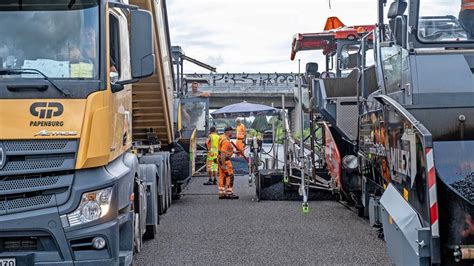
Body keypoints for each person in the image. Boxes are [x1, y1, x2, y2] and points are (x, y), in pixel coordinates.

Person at [217, 126, 239, 199]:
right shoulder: (226, 141)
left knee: (222, 176)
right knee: (230, 176)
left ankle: (222, 193)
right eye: (231, 131)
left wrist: (233, 152)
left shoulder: (221, 137)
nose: (232, 133)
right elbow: (223, 153)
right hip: (225, 161)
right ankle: (229, 193)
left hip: (220, 160)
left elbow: (223, 151)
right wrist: (223, 164)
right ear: (227, 131)